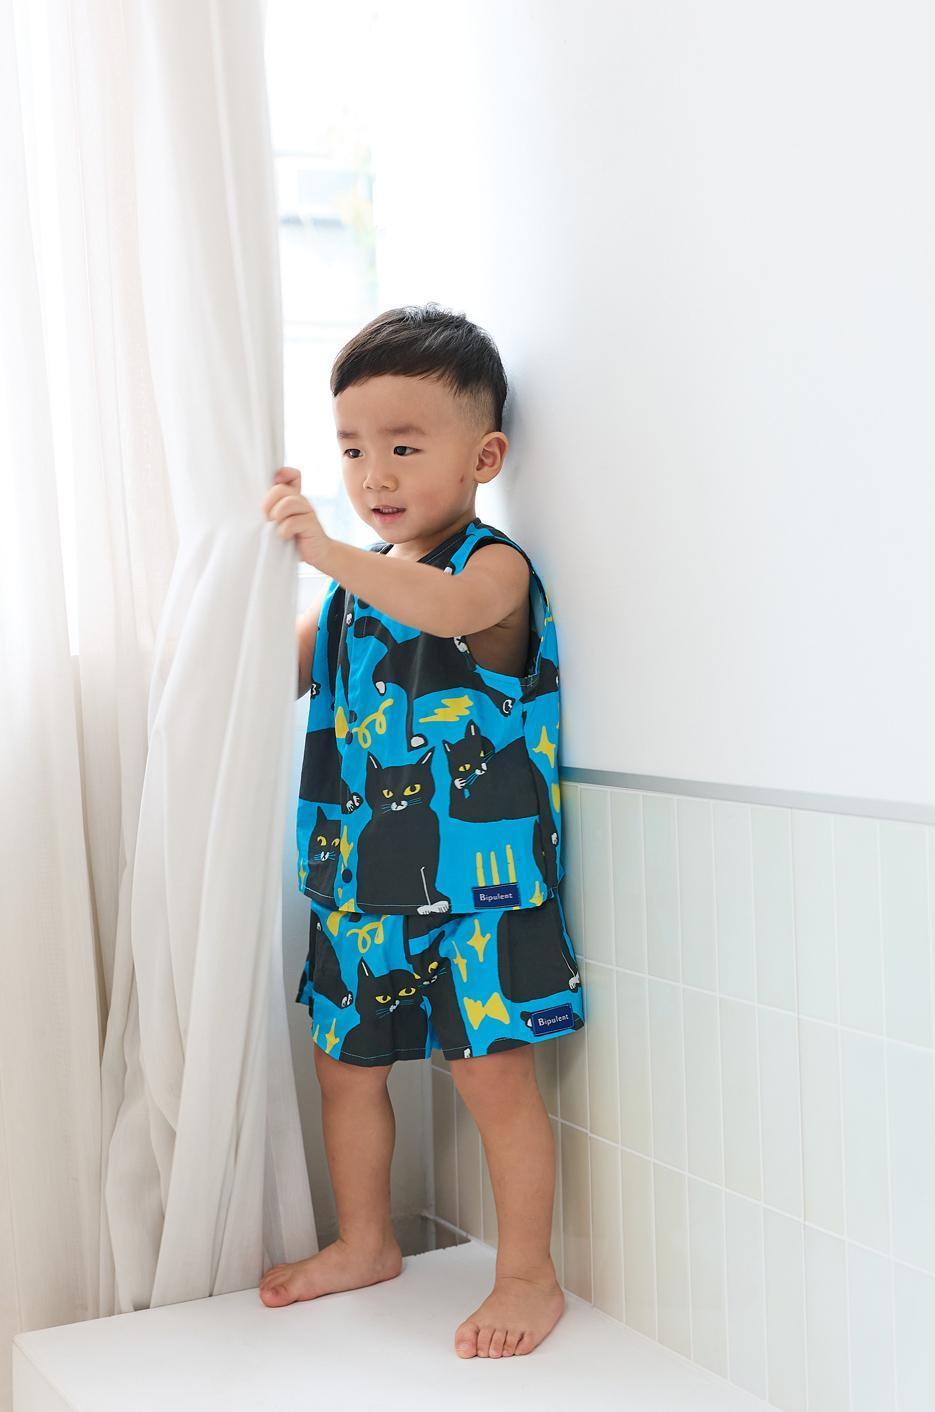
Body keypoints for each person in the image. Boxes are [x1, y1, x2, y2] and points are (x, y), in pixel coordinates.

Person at [258, 302, 585, 1359]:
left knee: (492, 1074)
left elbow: (439, 610)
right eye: (353, 449)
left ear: (483, 457)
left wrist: (321, 550)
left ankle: (528, 1273)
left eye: (403, 447)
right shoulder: (348, 595)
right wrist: (250, 560)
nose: (374, 475)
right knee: (344, 1068)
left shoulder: (493, 570)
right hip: (359, 889)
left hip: (481, 895)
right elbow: (269, 671)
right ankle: (366, 1240)